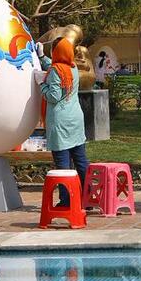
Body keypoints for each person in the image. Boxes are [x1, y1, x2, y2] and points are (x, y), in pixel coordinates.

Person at [36, 38, 88, 207]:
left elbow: (53, 96)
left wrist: (41, 84)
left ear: (56, 53)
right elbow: (55, 66)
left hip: (60, 123)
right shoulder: (73, 69)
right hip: (75, 121)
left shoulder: (54, 72)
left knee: (63, 166)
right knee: (81, 162)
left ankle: (66, 201)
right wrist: (42, 57)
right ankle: (87, 197)